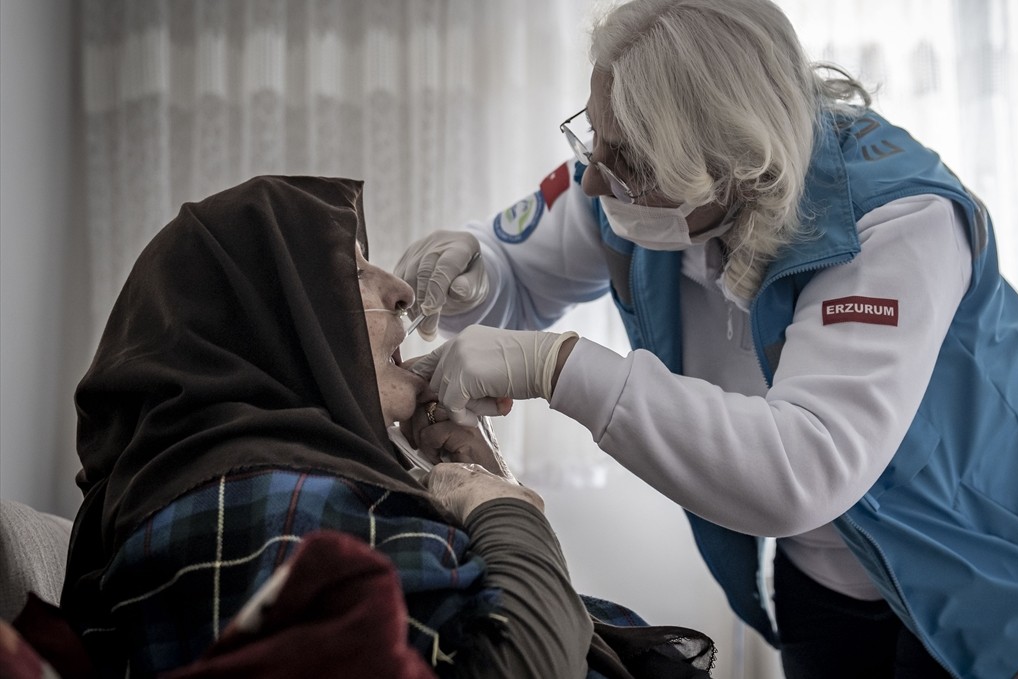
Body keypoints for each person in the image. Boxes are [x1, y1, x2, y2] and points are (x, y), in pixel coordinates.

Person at [393, 1, 1018, 677]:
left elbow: (804, 463)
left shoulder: (897, 222)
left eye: (628, 161)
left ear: (731, 161)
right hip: (829, 557)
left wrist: (557, 368)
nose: (594, 181)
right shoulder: (629, 180)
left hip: (992, 546)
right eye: (596, 137)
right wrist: (477, 272)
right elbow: (521, 274)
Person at [60, 175, 714, 678]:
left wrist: (488, 482)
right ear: (278, 329)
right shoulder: (264, 505)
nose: (400, 287)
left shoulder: (280, 487)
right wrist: (505, 509)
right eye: (353, 271)